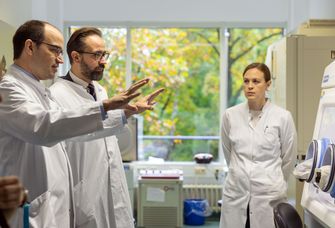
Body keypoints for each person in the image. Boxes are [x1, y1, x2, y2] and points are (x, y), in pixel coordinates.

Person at [0, 20, 158, 228]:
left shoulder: (39, 91)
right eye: (55, 50)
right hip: (36, 209)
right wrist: (105, 106)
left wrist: (122, 113)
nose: (59, 59)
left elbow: (76, 132)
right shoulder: (9, 89)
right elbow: (43, 126)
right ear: (30, 47)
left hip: (56, 206)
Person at [49, 27, 163, 228]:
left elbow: (104, 129)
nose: (104, 61)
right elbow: (82, 131)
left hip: (112, 187)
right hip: (83, 194)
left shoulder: (100, 90)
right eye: (97, 55)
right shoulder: (56, 95)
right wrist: (125, 112)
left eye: (104, 54)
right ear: (75, 57)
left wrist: (130, 110)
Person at [220, 62, 297, 228]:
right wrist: (240, 174)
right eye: (246, 81)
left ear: (268, 84)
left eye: (256, 81)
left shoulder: (282, 117)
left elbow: (289, 158)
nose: (250, 86)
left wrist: (271, 179)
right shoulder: (230, 115)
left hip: (268, 196)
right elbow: (228, 153)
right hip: (236, 193)